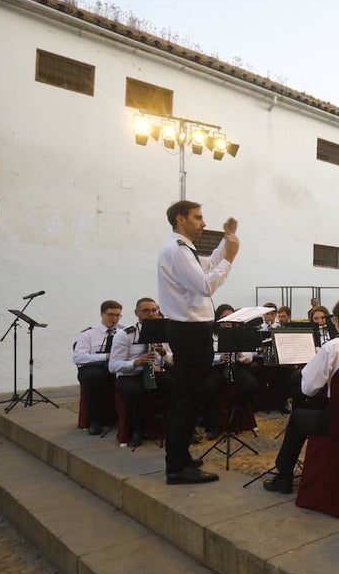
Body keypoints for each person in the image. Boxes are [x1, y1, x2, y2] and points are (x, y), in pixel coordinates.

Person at [263, 297, 339, 493]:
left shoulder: (333, 347)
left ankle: (283, 477)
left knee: (297, 417)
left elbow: (308, 388)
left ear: (335, 319)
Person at [156, 200, 239, 485]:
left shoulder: (185, 250)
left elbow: (207, 265)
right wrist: (230, 259)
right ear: (181, 219)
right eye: (198, 217)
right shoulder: (177, 251)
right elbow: (205, 286)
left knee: (189, 396)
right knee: (187, 398)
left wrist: (227, 242)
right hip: (188, 331)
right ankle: (177, 466)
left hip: (192, 331)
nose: (204, 223)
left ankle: (179, 455)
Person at [108, 297, 173, 448]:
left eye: (154, 310)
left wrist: (163, 353)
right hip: (131, 374)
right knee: (133, 391)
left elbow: (172, 358)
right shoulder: (125, 335)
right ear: (136, 312)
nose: (151, 314)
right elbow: (113, 365)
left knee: (175, 387)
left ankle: (171, 429)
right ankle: (136, 431)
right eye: (146, 311)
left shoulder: (164, 332)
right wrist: (136, 362)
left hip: (155, 371)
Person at [203, 304, 259, 440]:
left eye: (231, 317)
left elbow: (250, 356)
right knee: (208, 388)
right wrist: (218, 358)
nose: (228, 321)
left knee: (250, 385)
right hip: (217, 367)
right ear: (218, 319)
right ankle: (215, 425)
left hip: (236, 366)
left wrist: (240, 354)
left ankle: (238, 420)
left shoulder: (242, 333)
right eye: (224, 318)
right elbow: (203, 356)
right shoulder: (211, 334)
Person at [73, 300, 124, 436]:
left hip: (116, 367)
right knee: (93, 377)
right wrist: (105, 356)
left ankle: (124, 421)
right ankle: (96, 421)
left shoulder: (123, 333)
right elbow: (78, 357)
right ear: (102, 314)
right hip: (93, 368)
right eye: (110, 315)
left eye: (118, 315)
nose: (114, 319)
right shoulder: (88, 334)